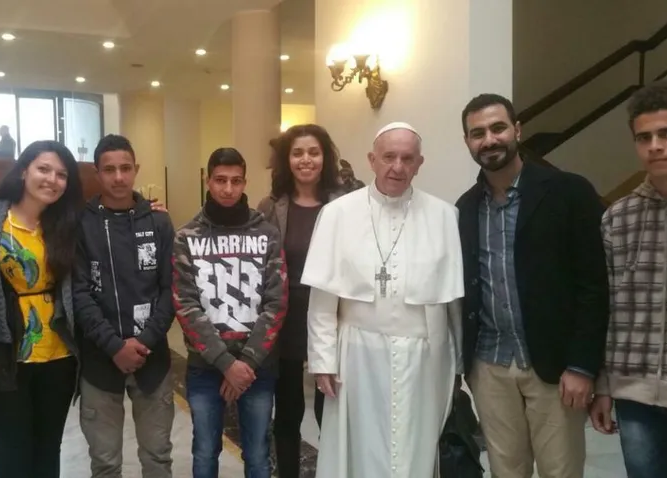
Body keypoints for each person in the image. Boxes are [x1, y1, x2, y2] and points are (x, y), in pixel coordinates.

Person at [456, 93, 609, 478]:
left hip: (555, 366)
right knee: (506, 470)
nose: (489, 139)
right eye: (478, 133)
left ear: (518, 130)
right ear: (468, 142)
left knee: (560, 470)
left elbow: (594, 286)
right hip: (489, 364)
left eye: (498, 128)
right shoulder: (465, 208)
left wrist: (583, 365)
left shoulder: (569, 192)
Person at [303, 122, 463, 478]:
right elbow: (323, 299)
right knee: (360, 448)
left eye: (407, 158)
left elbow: (451, 305)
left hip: (422, 359)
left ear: (420, 163)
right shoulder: (337, 214)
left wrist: (456, 366)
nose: (397, 167)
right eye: (389, 157)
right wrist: (323, 360)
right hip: (356, 355)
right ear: (372, 160)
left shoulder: (444, 216)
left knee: (414, 448)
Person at [0, 140, 83, 478]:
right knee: (12, 460)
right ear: (24, 170)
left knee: (47, 454)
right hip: (2, 357)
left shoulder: (67, 223)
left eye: (62, 174)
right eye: (44, 169)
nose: (52, 179)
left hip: (58, 357)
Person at [173, 147, 287, 478]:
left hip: (257, 366)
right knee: (205, 452)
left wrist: (246, 363)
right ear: (208, 181)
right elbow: (185, 304)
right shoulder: (187, 237)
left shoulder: (267, 234)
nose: (228, 188)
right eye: (220, 180)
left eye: (236, 181)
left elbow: (277, 302)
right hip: (205, 366)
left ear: (244, 183)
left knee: (258, 454)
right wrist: (226, 364)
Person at [73, 134, 176, 477]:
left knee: (157, 457)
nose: (118, 177)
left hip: (152, 358)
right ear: (97, 173)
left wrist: (144, 341)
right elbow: (80, 293)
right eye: (109, 169)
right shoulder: (81, 224)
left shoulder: (159, 222)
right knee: (105, 463)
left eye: (125, 168)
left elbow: (171, 289)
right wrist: (115, 346)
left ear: (136, 169)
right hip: (99, 359)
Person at [589, 81, 667, 477]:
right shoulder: (618, 217)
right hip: (634, 394)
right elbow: (605, 308)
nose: (655, 146)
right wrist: (603, 386)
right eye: (644, 137)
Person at [257, 124, 342, 478]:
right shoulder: (270, 206)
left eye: (313, 152)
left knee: (331, 412)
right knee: (288, 413)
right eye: (297, 153)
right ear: (286, 160)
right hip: (286, 322)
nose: (306, 160)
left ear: (325, 158)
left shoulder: (343, 204)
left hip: (334, 320)